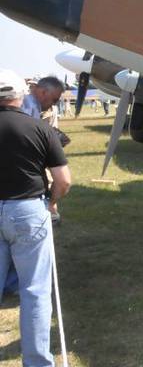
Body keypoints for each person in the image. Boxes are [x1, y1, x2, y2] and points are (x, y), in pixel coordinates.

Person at [0, 68, 72, 367]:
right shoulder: (39, 128)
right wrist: (53, 203)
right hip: (29, 209)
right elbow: (63, 179)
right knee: (35, 292)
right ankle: (38, 363)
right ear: (20, 95)